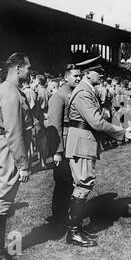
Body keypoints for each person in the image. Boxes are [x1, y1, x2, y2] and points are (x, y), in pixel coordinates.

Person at [65, 58, 131, 247]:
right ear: (87, 73)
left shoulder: (86, 90)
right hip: (82, 141)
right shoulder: (83, 92)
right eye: (98, 71)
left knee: (83, 183)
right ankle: (73, 231)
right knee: (83, 183)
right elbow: (96, 121)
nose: (101, 75)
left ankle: (76, 228)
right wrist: (120, 132)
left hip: (84, 140)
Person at [0, 53, 33, 260]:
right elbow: (14, 132)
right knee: (3, 202)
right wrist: (23, 165)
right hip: (9, 150)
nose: (29, 71)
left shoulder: (8, 90)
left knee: (3, 201)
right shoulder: (12, 94)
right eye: (27, 68)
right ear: (17, 68)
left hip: (5, 147)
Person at [47, 65, 82, 227]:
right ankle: (58, 218)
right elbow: (54, 126)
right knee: (62, 182)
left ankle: (65, 214)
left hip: (74, 144)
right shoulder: (58, 96)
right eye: (75, 75)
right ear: (66, 77)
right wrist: (57, 151)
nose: (78, 78)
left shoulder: (74, 94)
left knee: (70, 182)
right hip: (64, 146)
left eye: (79, 76)